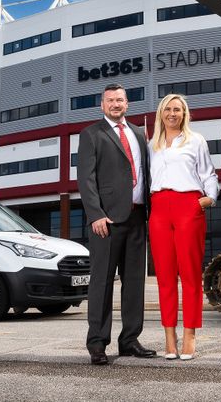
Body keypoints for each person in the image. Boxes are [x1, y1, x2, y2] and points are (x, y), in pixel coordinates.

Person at [77, 83, 156, 365]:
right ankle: (97, 343)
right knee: (102, 283)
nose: (115, 104)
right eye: (110, 100)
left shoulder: (138, 133)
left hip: (137, 216)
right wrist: (95, 214)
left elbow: (146, 173)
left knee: (134, 283)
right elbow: (86, 179)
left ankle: (130, 340)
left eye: (120, 100)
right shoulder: (91, 135)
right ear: (102, 105)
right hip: (107, 221)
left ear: (127, 103)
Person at [147, 93, 218, 361]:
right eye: (168, 109)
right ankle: (169, 337)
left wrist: (208, 199)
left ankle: (189, 335)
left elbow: (208, 173)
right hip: (159, 208)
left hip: (188, 204)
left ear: (184, 113)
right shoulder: (152, 144)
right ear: (161, 113)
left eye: (177, 109)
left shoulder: (195, 140)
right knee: (164, 277)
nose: (172, 113)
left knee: (189, 274)